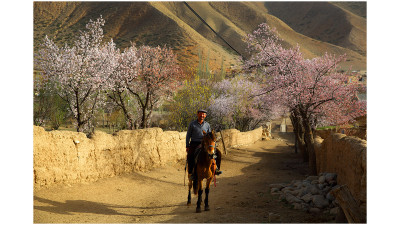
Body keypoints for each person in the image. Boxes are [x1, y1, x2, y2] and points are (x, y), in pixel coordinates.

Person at [186, 109, 222, 178]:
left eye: (204, 114)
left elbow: (210, 135)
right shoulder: (192, 124)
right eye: (201, 114)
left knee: (218, 153)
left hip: (205, 143)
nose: (202, 115)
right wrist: (187, 145)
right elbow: (188, 135)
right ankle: (191, 172)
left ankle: (216, 169)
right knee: (190, 155)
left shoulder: (207, 125)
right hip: (195, 143)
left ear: (205, 116)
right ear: (197, 114)